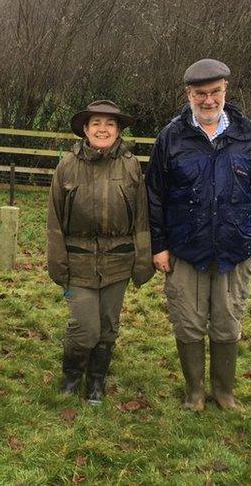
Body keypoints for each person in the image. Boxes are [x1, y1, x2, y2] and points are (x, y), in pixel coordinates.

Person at [146, 59, 251, 411]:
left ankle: (224, 392)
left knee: (227, 321)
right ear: (188, 94)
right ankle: (194, 392)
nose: (208, 100)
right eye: (200, 93)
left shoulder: (248, 133)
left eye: (215, 92)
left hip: (235, 249)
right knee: (188, 322)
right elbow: (154, 196)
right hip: (185, 249)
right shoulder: (171, 137)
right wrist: (159, 246)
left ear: (225, 91)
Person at [47, 100, 154, 405]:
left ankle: (96, 382)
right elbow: (54, 219)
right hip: (77, 261)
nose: (103, 129)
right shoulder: (67, 165)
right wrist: (58, 264)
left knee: (107, 327)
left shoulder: (131, 165)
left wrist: (142, 262)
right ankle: (71, 377)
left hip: (118, 261)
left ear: (118, 130)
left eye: (109, 124)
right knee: (85, 328)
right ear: (85, 129)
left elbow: (141, 218)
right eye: (96, 123)